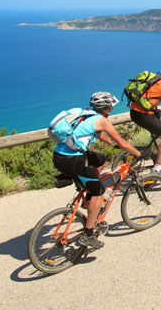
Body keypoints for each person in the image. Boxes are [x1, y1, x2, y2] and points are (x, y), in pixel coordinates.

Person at [53, 91, 142, 249]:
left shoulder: (84, 113)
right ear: (107, 109)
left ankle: (87, 190)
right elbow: (122, 142)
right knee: (99, 191)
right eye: (111, 107)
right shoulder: (102, 120)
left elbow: (98, 135)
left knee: (100, 159)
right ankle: (88, 234)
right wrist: (138, 153)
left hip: (59, 156)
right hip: (73, 160)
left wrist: (110, 145)